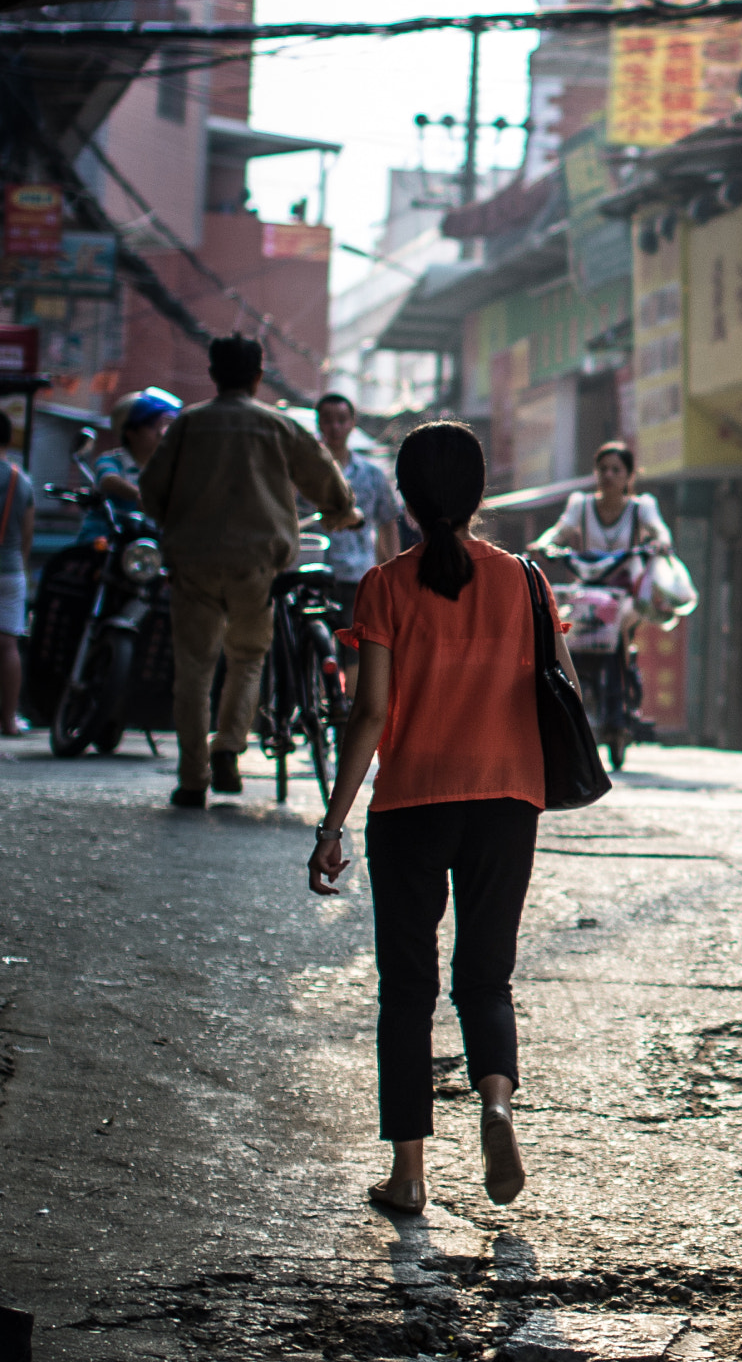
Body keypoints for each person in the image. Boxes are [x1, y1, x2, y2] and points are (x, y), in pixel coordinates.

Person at [308, 420, 579, 1215]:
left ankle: (411, 1174)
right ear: (479, 492)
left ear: (406, 496)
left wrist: (332, 825)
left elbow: (370, 714)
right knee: (485, 976)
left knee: (408, 989)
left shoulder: (386, 585)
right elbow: (561, 686)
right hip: (507, 798)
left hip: (412, 803)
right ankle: (495, 1102)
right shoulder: (526, 580)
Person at [139, 335, 358, 808]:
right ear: (258, 376)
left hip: (192, 562)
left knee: (194, 670)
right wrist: (342, 512)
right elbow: (324, 478)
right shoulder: (278, 426)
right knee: (247, 657)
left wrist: (176, 523)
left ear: (214, 374)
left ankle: (192, 778)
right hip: (256, 566)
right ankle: (229, 746)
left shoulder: (187, 425)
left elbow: (152, 489)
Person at [314, 393, 400, 691]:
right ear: (319, 424)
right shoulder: (306, 471)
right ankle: (317, 702)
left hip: (357, 575)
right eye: (328, 420)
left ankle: (348, 710)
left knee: (356, 647)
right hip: (313, 573)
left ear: (352, 424)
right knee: (315, 644)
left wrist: (391, 568)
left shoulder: (372, 474)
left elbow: (388, 521)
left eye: (341, 420)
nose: (335, 427)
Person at [77, 388, 180, 541]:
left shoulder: (165, 469)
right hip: (107, 535)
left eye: (162, 427)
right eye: (153, 427)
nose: (160, 433)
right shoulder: (110, 460)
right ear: (131, 432)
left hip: (145, 539)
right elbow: (108, 480)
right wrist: (139, 495)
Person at [538, 443, 672, 558]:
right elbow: (560, 532)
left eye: (616, 470)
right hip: (589, 582)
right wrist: (543, 544)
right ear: (596, 473)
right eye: (603, 469)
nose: (608, 475)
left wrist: (662, 542)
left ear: (630, 476)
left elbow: (659, 530)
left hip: (630, 584)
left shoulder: (642, 506)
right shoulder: (580, 505)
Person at [0, 413, 35, 738]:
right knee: (8, 646)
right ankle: (9, 720)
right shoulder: (20, 480)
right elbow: (27, 533)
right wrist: (20, 565)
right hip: (10, 570)